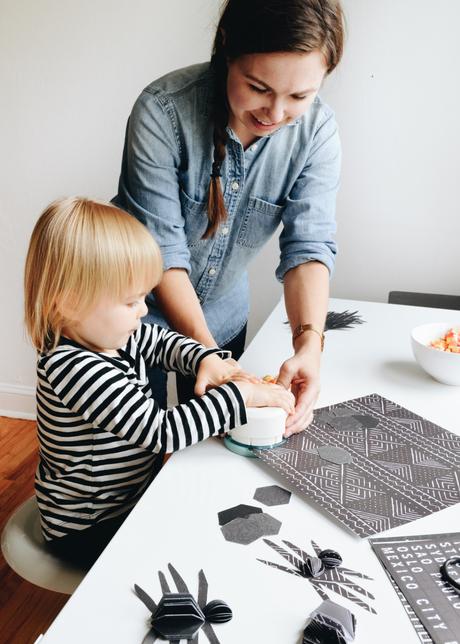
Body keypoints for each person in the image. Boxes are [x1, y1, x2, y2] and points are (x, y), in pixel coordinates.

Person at [24, 197, 295, 567]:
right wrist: (241, 393)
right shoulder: (72, 367)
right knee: (197, 546)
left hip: (131, 495)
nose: (142, 311)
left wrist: (205, 358)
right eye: (130, 301)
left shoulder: (111, 334)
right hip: (89, 526)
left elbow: (163, 342)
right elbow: (161, 431)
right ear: (70, 304)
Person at [114, 0, 345, 432]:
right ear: (226, 52)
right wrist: (213, 361)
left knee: (213, 447)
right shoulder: (162, 111)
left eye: (299, 96)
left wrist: (309, 344)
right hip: (128, 320)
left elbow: (308, 249)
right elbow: (164, 255)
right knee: (131, 456)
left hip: (223, 316)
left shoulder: (317, 134)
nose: (275, 114)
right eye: (258, 88)